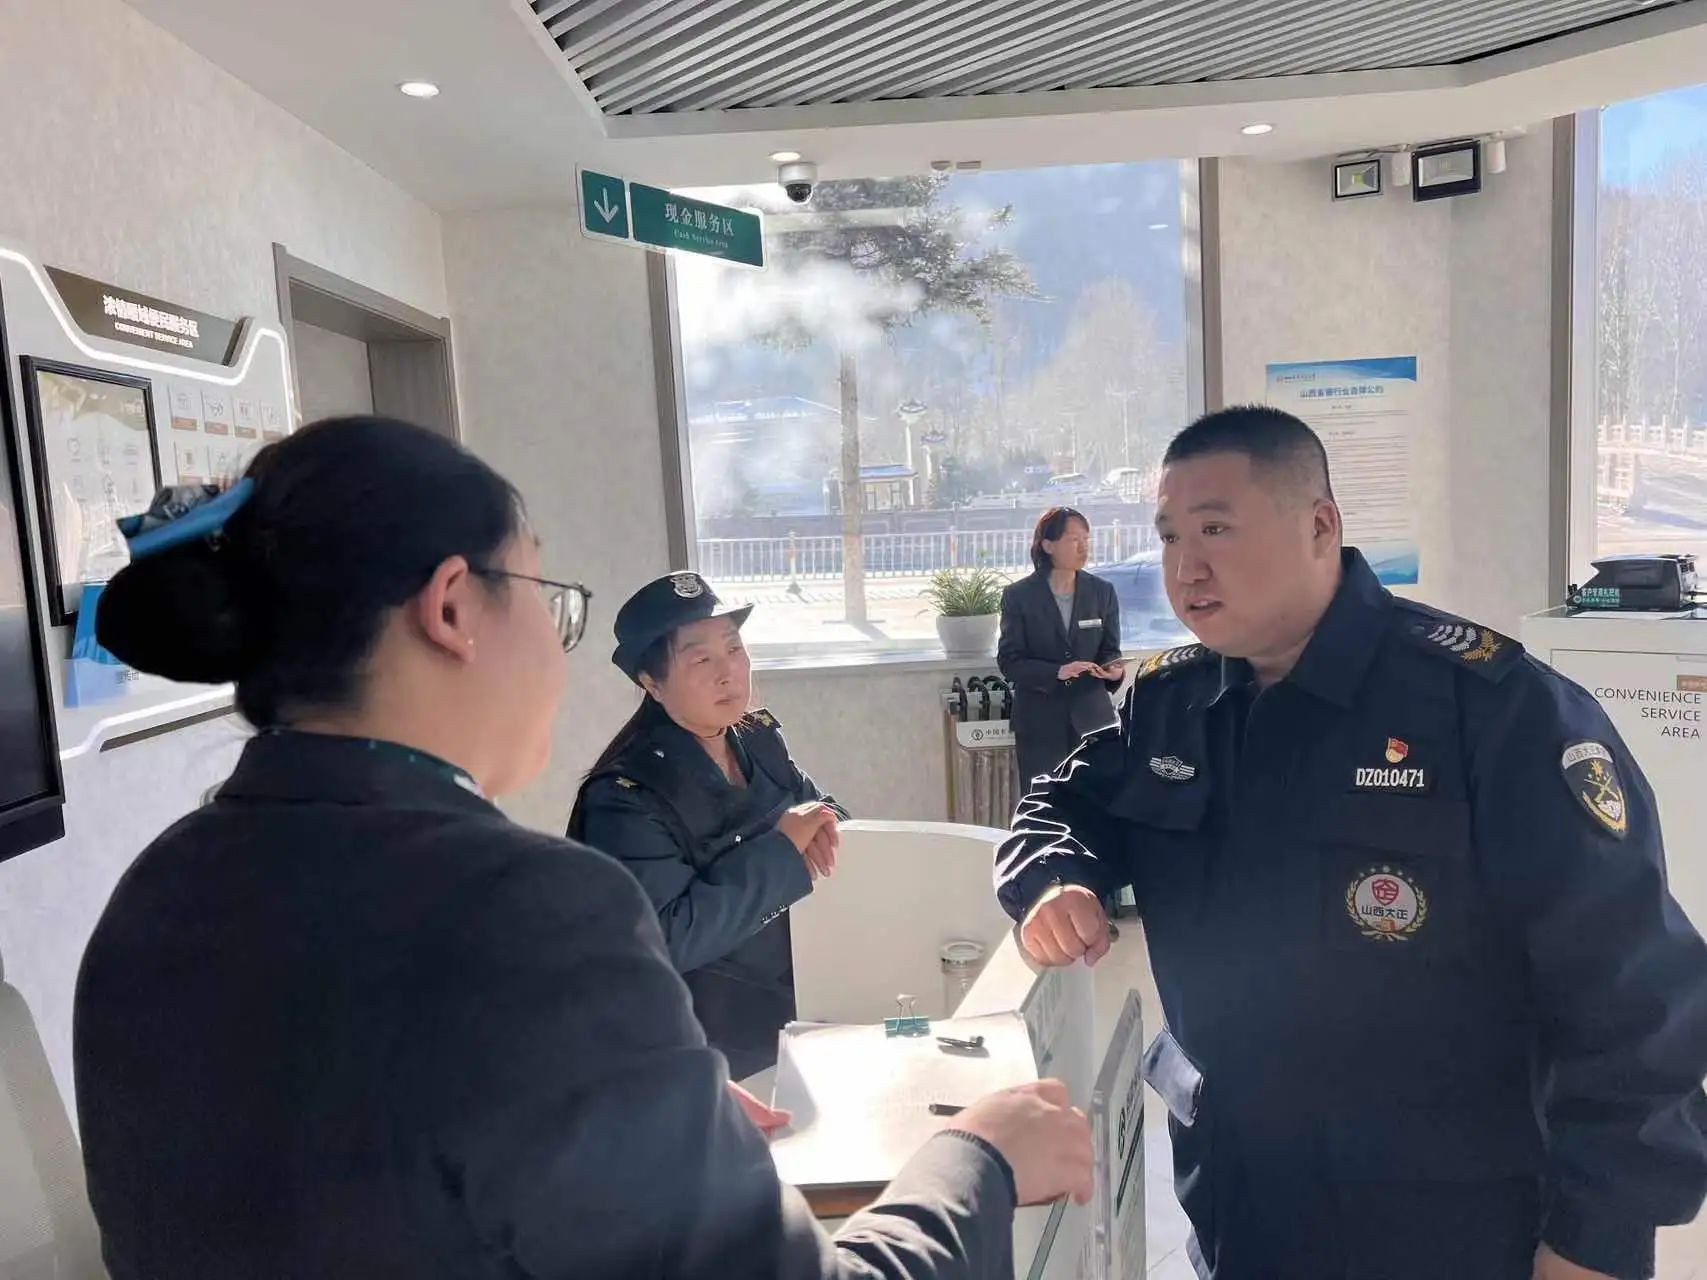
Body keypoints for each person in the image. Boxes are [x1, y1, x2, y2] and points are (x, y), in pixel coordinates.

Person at [74, 415, 1093, 1279]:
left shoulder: (158, 889)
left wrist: (633, 1087)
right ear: (452, 608)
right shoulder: (532, 909)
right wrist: (978, 1159)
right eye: (543, 592)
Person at [995, 405, 1707, 1280]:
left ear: (1320, 526)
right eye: (1169, 536)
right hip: (1239, 1199)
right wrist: (1051, 879)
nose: (1185, 567)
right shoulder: (1171, 704)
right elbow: (1065, 801)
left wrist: (1595, 1241)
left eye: (1216, 528)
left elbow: (1635, 997)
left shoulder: (1490, 710)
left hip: (1450, 1223)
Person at [569, 572, 844, 1080]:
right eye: (701, 660)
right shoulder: (624, 797)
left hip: (796, 1003)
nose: (728, 672)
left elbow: (823, 812)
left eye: (734, 649)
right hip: (700, 1044)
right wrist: (782, 849)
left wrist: (827, 823)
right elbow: (668, 937)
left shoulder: (758, 738)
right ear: (651, 683)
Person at [997, 506, 1125, 787]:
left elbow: (1110, 650)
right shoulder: (1019, 596)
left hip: (1093, 719)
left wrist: (1114, 670)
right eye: (1074, 539)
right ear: (1048, 545)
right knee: (1043, 800)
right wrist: (1057, 671)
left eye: (1086, 539)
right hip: (1040, 721)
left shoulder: (1102, 591)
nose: (1083, 547)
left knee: (1096, 801)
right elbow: (1009, 661)